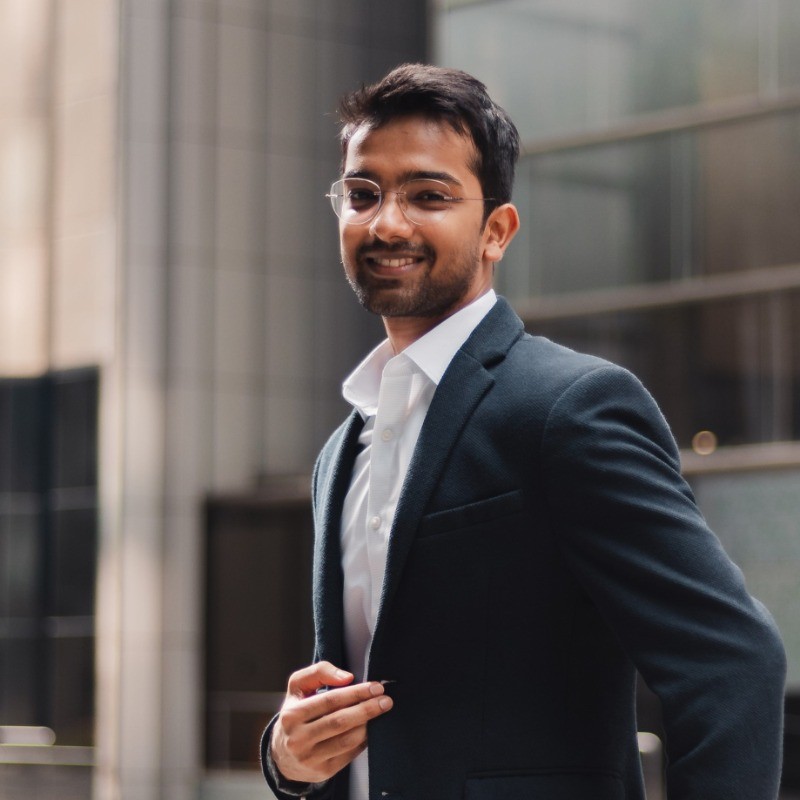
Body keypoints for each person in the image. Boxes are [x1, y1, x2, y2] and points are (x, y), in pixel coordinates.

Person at [260, 63, 786, 800]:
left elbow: (732, 659)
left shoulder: (571, 407)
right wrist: (288, 757)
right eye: (362, 194)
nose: (385, 222)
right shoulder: (341, 451)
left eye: (428, 195)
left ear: (496, 231)